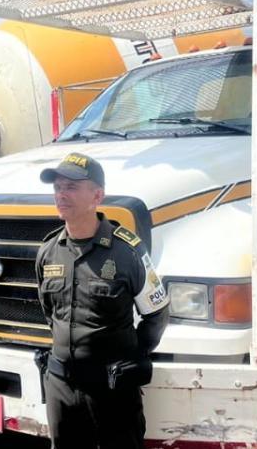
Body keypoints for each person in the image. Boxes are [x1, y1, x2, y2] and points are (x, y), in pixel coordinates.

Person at [35, 152, 169, 448]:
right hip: (61, 385)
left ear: (97, 195)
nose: (61, 194)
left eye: (71, 187)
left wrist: (132, 357)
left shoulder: (127, 252)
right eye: (57, 187)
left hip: (112, 387)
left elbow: (157, 314)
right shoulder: (47, 252)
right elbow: (50, 313)